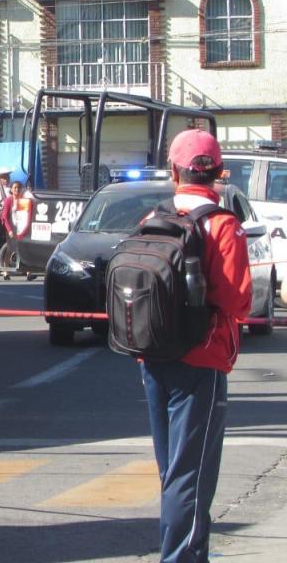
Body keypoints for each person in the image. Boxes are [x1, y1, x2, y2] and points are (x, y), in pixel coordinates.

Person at [138, 129, 252, 563]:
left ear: (174, 171)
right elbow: (236, 299)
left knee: (173, 471)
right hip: (201, 360)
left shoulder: (153, 217)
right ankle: (182, 558)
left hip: (153, 356)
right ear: (218, 173)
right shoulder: (222, 224)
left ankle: (190, 553)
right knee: (194, 474)